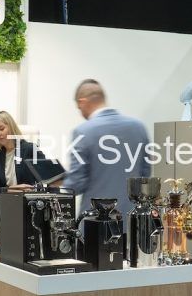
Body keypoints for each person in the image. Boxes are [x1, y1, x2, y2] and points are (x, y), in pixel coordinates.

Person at [61, 79, 151, 217]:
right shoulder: (139, 127)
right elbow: (145, 175)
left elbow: (76, 185)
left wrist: (60, 183)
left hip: (96, 220)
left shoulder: (82, 132)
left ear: (82, 102)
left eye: (79, 108)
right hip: (132, 218)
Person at [0, 110, 64, 200]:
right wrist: (9, 190)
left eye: (1, 129)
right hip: (7, 206)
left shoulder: (30, 149)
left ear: (11, 127)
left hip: (30, 205)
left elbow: (51, 181)